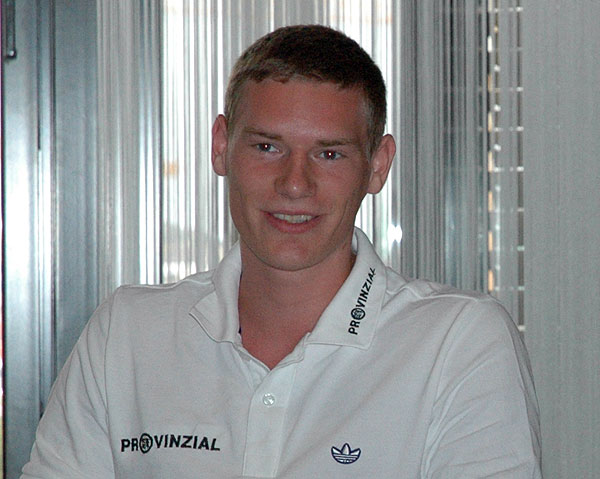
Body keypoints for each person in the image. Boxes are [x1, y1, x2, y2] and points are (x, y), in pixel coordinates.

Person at [22, 25, 541, 478]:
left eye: (329, 154)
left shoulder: (458, 343)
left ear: (378, 166)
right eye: (267, 147)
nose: (295, 184)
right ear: (221, 146)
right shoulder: (126, 335)